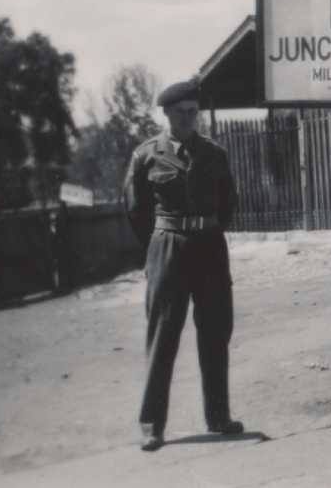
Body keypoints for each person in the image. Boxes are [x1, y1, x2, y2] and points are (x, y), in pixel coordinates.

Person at [123, 79, 242, 451]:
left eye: (194, 112)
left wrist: (208, 230)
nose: (189, 119)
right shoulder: (147, 156)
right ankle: (152, 425)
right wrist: (159, 244)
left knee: (215, 331)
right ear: (167, 114)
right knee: (163, 335)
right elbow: (134, 207)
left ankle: (219, 417)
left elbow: (228, 203)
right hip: (168, 247)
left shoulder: (214, 154)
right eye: (181, 113)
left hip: (209, 246)